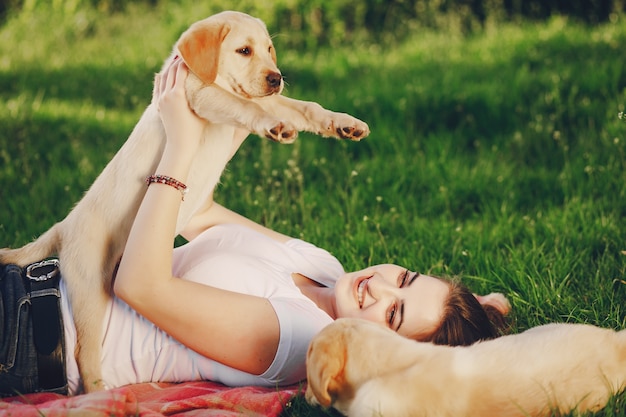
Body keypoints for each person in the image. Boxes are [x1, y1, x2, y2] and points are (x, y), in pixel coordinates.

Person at [0, 59, 510, 397]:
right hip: (44, 278)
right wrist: (236, 112)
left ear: (386, 350)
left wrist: (180, 146)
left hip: (34, 338)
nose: (377, 287)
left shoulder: (296, 338)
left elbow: (141, 284)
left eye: (394, 315)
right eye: (403, 279)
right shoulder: (324, 267)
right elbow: (197, 212)